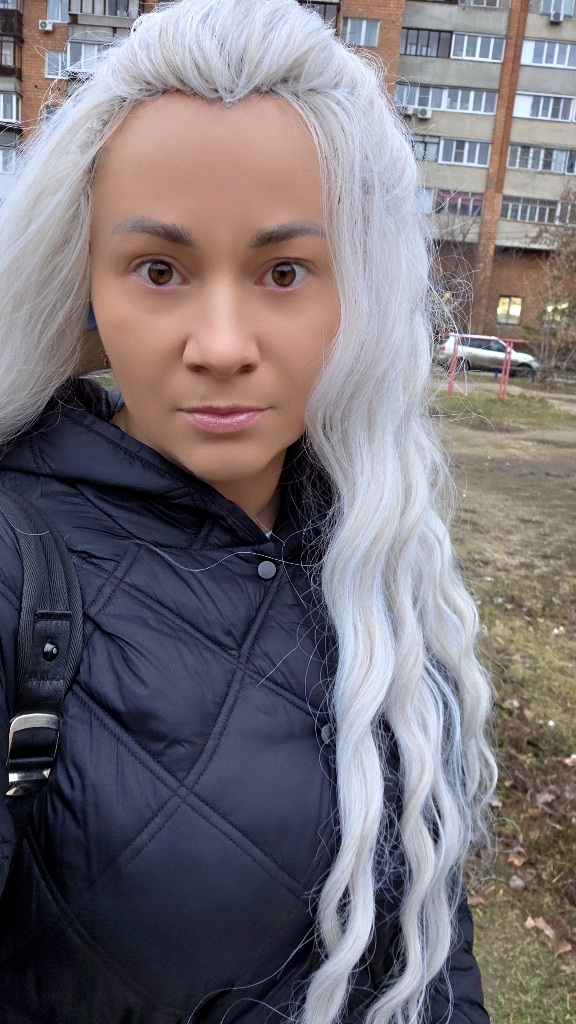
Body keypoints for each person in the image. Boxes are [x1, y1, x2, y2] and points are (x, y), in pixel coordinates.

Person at [0, 1, 496, 1021]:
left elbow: (432, 940)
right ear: (85, 283)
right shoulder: (15, 569)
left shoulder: (382, 553)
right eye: (159, 270)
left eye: (283, 272)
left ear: (355, 288)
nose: (221, 345)